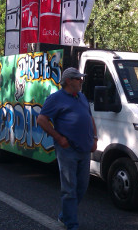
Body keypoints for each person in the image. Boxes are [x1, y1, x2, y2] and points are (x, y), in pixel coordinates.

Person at [37, 67, 97, 230]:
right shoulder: (56, 98)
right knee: (69, 188)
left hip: (84, 150)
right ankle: (71, 224)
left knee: (82, 187)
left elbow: (90, 119)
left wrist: (95, 138)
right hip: (67, 150)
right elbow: (41, 119)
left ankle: (65, 215)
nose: (81, 81)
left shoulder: (82, 97)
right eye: (78, 79)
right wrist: (58, 137)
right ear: (69, 81)